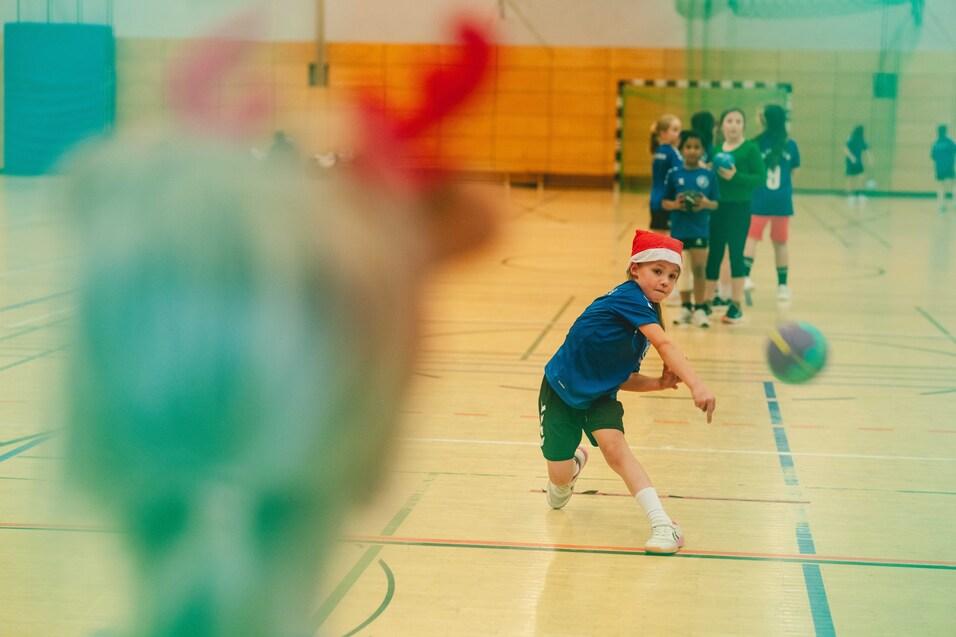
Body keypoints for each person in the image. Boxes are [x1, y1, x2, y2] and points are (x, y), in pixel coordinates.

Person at [539, 229, 717, 555]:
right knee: (559, 480)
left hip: (600, 395)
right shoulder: (629, 298)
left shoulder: (645, 318)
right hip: (561, 389)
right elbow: (665, 344)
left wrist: (658, 384)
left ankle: (664, 525)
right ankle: (573, 465)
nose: (665, 281)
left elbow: (621, 378)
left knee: (616, 451)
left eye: (673, 276)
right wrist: (697, 384)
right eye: (658, 271)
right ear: (635, 269)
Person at [704, 108, 766, 324]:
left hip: (739, 208)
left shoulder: (750, 149)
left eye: (738, 121)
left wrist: (736, 176)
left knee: (736, 254)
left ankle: (736, 305)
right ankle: (706, 302)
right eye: (729, 121)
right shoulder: (715, 150)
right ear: (722, 126)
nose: (733, 125)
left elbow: (760, 178)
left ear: (743, 126)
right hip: (717, 208)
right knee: (714, 254)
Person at [662, 130, 719, 327]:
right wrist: (676, 205)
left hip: (700, 229)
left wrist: (704, 203)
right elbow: (664, 202)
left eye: (696, 147)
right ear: (682, 149)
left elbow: (715, 203)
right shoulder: (674, 174)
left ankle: (700, 308)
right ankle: (686, 307)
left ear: (702, 151)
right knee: (681, 270)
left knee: (699, 268)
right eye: (688, 147)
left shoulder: (708, 175)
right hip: (679, 229)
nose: (692, 151)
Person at [744, 104, 800, 302]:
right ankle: (782, 287)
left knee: (751, 238)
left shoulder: (754, 144)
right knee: (781, 243)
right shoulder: (790, 145)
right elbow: (793, 173)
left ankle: (745, 277)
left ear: (764, 120)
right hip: (782, 202)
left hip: (759, 199)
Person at [649, 114, 683, 234]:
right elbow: (679, 174)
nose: (679, 133)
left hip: (655, 200)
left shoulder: (658, 150)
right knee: (666, 239)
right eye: (675, 130)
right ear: (663, 133)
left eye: (679, 130)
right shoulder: (673, 153)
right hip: (668, 202)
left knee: (658, 237)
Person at [931, 124, 955, 213]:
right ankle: (954, 204)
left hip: (939, 169)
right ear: (946, 132)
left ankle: (942, 206)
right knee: (953, 186)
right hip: (949, 168)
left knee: (941, 187)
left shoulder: (936, 144)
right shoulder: (950, 142)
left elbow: (933, 156)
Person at [844, 125, 870, 204]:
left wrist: (870, 158)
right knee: (850, 177)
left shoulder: (860, 139)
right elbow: (845, 149)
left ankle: (858, 193)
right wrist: (852, 157)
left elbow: (867, 149)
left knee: (860, 177)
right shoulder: (851, 138)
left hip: (857, 161)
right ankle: (850, 194)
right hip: (851, 161)